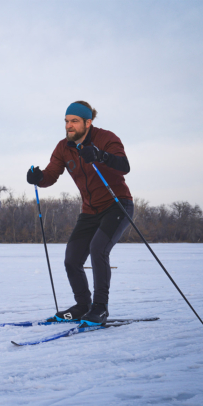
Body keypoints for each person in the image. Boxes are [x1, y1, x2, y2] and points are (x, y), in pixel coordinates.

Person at [26, 101, 134, 325]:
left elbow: (124, 165)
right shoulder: (63, 148)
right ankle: (82, 305)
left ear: (88, 122)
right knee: (72, 259)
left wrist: (100, 156)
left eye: (74, 121)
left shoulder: (106, 138)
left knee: (98, 249)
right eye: (66, 121)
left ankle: (100, 308)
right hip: (89, 211)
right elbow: (51, 175)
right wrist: (39, 178)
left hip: (117, 205)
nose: (69, 126)